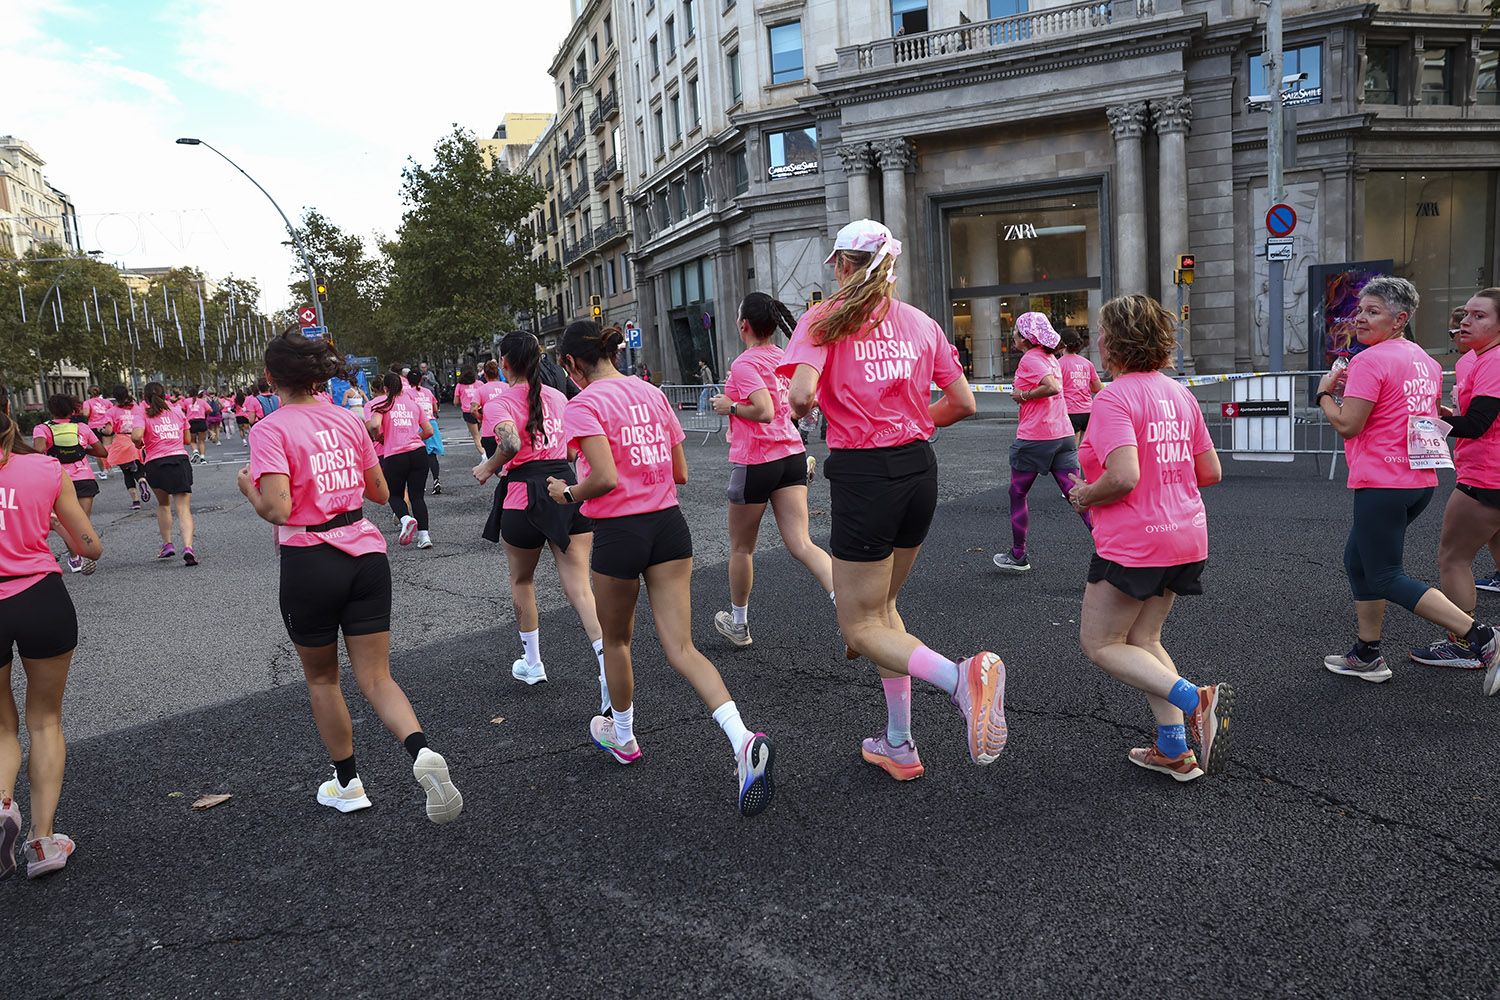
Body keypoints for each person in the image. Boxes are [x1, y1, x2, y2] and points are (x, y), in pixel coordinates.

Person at [780, 219, 1002, 784]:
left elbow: (802, 395)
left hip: (864, 474)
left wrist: (803, 411)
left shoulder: (824, 318)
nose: (833, 269)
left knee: (857, 628)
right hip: (917, 470)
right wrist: (907, 424)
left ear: (847, 266)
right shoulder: (922, 323)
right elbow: (964, 402)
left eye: (837, 261)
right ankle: (899, 743)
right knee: (882, 611)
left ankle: (961, 679)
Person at [547, 321, 775, 817]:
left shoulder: (583, 404)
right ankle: (741, 739)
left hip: (620, 532)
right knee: (682, 647)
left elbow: (603, 478)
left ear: (570, 364)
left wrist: (568, 493)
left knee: (617, 641)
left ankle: (623, 736)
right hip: (669, 525)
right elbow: (681, 473)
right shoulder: (652, 393)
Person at [238, 330, 462, 823]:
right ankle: (421, 751)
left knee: (323, 678)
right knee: (378, 676)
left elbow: (277, 509)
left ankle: (349, 783)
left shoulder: (270, 429)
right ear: (319, 374)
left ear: (272, 377)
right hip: (365, 554)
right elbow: (380, 492)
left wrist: (248, 489)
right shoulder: (348, 420)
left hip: (310, 558)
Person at [1067, 294, 1233, 782]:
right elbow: (1211, 471)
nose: (1097, 340)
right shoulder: (1180, 394)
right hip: (1186, 534)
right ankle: (1173, 750)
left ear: (1113, 341)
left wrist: (1085, 495)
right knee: (1143, 638)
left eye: (1101, 332)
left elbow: (1123, 476)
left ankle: (1195, 700)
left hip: (1135, 541)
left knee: (1100, 644)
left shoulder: (1114, 397)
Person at [1315, 276, 1499, 691]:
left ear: (1400, 319)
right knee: (1358, 562)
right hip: (1418, 480)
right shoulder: (1425, 361)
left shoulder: (1368, 360)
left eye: (1373, 311)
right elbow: (1416, 408)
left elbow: (1348, 425)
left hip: (1383, 480)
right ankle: (1367, 653)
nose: (1360, 318)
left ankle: (1480, 637)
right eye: (1360, 310)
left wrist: (1325, 394)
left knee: (1384, 575)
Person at [472, 332, 608, 701]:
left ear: (504, 363)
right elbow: (568, 450)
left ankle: (533, 663)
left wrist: (488, 467)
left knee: (523, 581)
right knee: (580, 587)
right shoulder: (561, 398)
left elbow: (510, 444)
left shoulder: (501, 402)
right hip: (565, 491)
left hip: (522, 498)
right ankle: (605, 663)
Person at [0, 407, 102, 878]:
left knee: (2, 726)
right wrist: (55, 525)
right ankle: (43, 842)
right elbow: (89, 546)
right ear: (9, 417)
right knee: (44, 720)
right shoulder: (45, 468)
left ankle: (3, 806)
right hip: (40, 595)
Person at [708, 292, 835, 647]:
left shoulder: (744, 364)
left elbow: (762, 411)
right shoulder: (785, 357)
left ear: (743, 325)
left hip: (756, 461)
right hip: (791, 455)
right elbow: (794, 408)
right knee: (802, 544)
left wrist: (729, 406)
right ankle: (846, 603)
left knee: (741, 549)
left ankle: (739, 624)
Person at [1411, 289, 1500, 669]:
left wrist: (1427, 422)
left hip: (1487, 475)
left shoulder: (1494, 362)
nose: (1466, 321)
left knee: (1453, 558)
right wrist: (1448, 415)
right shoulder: (1473, 361)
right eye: (1466, 314)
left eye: (1480, 316)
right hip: (1485, 470)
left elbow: (1478, 425)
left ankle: (1467, 645)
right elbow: (1476, 415)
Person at [992, 312, 1093, 573]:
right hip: (1063, 435)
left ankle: (1018, 555)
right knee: (1077, 496)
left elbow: (1052, 388)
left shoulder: (1030, 358)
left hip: (1036, 437)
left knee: (1017, 493)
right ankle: (1114, 550)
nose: (1012, 335)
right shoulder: (1051, 357)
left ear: (1025, 338)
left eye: (1015, 331)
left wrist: (1023, 395)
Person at [33, 396, 106, 574]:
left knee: (65, 521)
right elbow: (102, 452)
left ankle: (74, 558)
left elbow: (37, 451)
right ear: (72, 410)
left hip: (58, 478)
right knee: (82, 519)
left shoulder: (42, 429)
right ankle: (87, 549)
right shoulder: (82, 427)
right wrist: (82, 449)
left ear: (51, 410)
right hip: (84, 476)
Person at [132, 382, 198, 566]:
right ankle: (188, 547)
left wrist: (140, 445)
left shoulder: (142, 413)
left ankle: (168, 544)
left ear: (144, 397)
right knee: (183, 507)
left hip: (155, 462)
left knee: (163, 504)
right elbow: (186, 439)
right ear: (165, 395)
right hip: (179, 460)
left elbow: (136, 436)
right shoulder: (177, 411)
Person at [367, 372, 434, 549]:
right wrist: (414, 437)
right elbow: (429, 431)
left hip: (395, 454)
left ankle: (405, 518)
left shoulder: (382, 405)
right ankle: (424, 536)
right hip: (418, 452)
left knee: (393, 494)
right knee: (417, 496)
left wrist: (379, 437)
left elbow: (374, 425)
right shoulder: (414, 405)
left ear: (385, 388)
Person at [106, 386, 149, 511]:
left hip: (122, 442)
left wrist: (101, 430)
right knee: (139, 468)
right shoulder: (138, 408)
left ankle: (136, 501)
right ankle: (142, 481)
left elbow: (108, 431)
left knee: (127, 474)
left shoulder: (111, 411)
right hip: (137, 440)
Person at [1058, 328, 1104, 445]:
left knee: (1072, 453)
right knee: (1084, 453)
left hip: (1070, 412)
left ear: (1062, 343)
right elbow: (1098, 388)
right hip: (1088, 411)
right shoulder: (1087, 363)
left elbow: (1055, 388)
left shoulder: (1058, 364)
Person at [405, 369, 445, 495]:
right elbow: (435, 408)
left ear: (407, 380)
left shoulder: (406, 393)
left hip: (416, 424)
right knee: (432, 455)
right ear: (421, 380)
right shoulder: (427, 392)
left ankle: (419, 485)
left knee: (416, 455)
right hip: (431, 423)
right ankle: (436, 480)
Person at [472, 361, 507, 457]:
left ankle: (499, 472)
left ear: (485, 375)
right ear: (498, 373)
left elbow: (473, 409)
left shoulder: (481, 390)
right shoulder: (507, 388)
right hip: (507, 430)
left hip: (489, 431)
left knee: (494, 463)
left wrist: (481, 418)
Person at [81, 386, 113, 480]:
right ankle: (109, 468)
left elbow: (86, 414)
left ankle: (103, 471)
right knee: (107, 448)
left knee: (99, 450)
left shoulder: (87, 402)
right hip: (107, 425)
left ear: (89, 393)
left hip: (94, 427)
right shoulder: (107, 402)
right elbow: (113, 411)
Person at [453, 369, 483, 455]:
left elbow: (456, 402)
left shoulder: (459, 385)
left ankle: (484, 455)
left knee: (476, 436)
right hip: (480, 409)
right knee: (481, 433)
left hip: (468, 411)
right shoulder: (479, 383)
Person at [183, 387, 210, 464]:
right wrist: (204, 412)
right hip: (201, 421)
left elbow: (182, 409)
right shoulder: (202, 401)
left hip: (191, 422)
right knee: (201, 441)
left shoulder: (186, 401)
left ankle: (195, 451)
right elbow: (210, 410)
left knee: (192, 440)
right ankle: (203, 458)